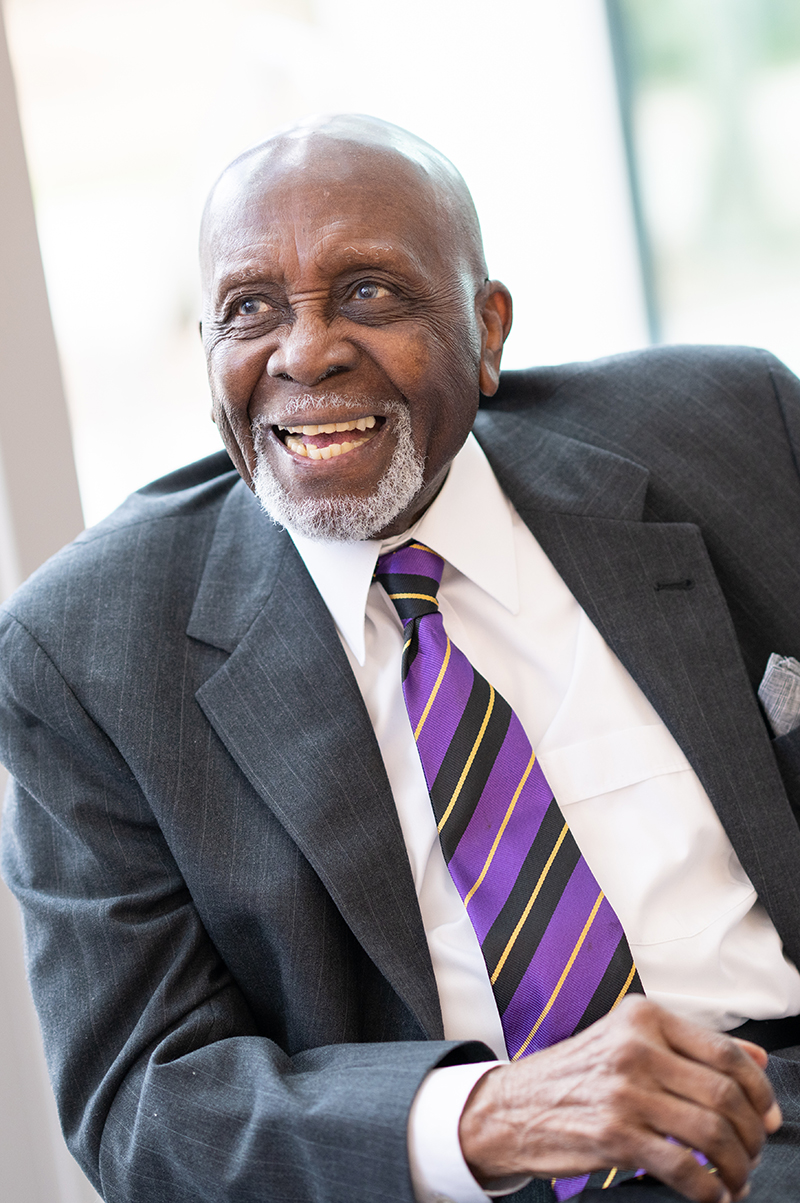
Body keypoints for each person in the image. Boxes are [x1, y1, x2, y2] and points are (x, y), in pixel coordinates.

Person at [1, 113, 800, 1203]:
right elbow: (142, 1104)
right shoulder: (88, 650)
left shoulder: (732, 429)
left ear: (486, 330)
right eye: (249, 309)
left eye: (369, 292)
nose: (305, 350)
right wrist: (485, 1117)